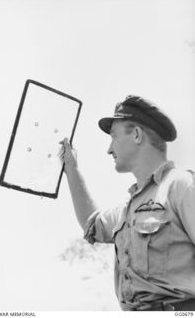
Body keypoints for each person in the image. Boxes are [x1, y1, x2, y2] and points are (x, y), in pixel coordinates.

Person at [59, 95, 195, 311]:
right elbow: (91, 224)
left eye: (114, 136)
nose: (109, 149)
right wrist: (71, 169)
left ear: (137, 135)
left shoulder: (181, 186)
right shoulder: (128, 209)